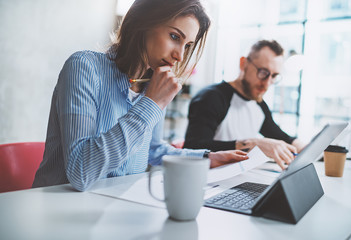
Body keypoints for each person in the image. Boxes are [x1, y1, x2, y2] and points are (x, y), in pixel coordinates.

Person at [32, 0, 249, 191]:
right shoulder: (84, 67)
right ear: (143, 22)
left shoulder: (151, 84)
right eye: (175, 36)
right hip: (59, 209)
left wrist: (206, 158)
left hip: (112, 208)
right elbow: (80, 172)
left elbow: (153, 149)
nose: (180, 56)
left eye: (187, 45)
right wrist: (151, 103)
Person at [183, 40, 306, 169]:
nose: (267, 83)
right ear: (243, 64)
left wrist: (305, 147)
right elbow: (193, 147)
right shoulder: (211, 97)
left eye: (274, 76)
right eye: (263, 72)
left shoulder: (259, 104)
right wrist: (252, 144)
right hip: (209, 178)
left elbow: (280, 137)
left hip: (239, 175)